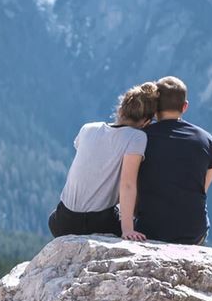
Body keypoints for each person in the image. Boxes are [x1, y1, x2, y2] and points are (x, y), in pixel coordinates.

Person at [49, 82, 159, 240]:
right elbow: (127, 184)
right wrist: (127, 229)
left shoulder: (88, 128)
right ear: (146, 122)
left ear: (121, 110)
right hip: (97, 223)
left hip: (62, 221)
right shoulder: (137, 137)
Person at [136, 76, 212, 245]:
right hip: (193, 233)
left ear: (154, 107)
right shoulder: (205, 139)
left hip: (150, 230)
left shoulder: (140, 138)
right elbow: (203, 186)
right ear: (185, 107)